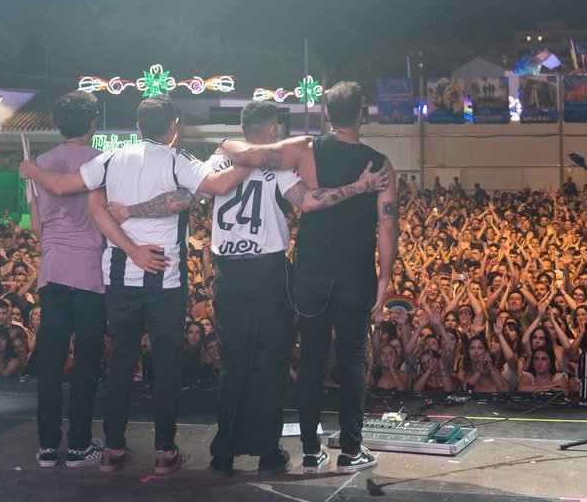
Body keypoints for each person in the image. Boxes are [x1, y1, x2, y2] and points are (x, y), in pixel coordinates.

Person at [124, 99, 389, 478]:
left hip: (227, 273)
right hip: (267, 272)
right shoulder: (275, 165)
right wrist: (361, 186)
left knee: (232, 363)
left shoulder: (216, 163)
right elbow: (309, 203)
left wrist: (128, 211)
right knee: (271, 361)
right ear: (269, 131)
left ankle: (224, 454)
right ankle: (267, 451)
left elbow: (182, 200)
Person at [21, 94, 249, 475]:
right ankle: (164, 452)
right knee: (165, 364)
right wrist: (246, 155)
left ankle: (111, 449)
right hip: (165, 275)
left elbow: (66, 189)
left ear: (137, 126)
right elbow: (220, 185)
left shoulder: (109, 159)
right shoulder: (180, 160)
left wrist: (31, 169)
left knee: (121, 364)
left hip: (117, 275)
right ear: (173, 126)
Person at [223, 81, 397, 475]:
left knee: (313, 357)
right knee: (352, 357)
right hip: (355, 271)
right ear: (361, 113)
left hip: (312, 270)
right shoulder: (381, 164)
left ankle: (310, 452)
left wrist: (225, 143)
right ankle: (351, 450)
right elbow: (388, 227)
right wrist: (385, 279)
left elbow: (250, 152)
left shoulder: (304, 149)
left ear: (325, 114)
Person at [26, 91, 108, 468]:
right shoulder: (101, 162)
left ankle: (46, 447)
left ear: (58, 124)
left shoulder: (37, 163)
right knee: (87, 360)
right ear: (92, 124)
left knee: (51, 360)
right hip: (91, 270)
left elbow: (37, 228)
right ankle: (78, 446)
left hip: (52, 269)